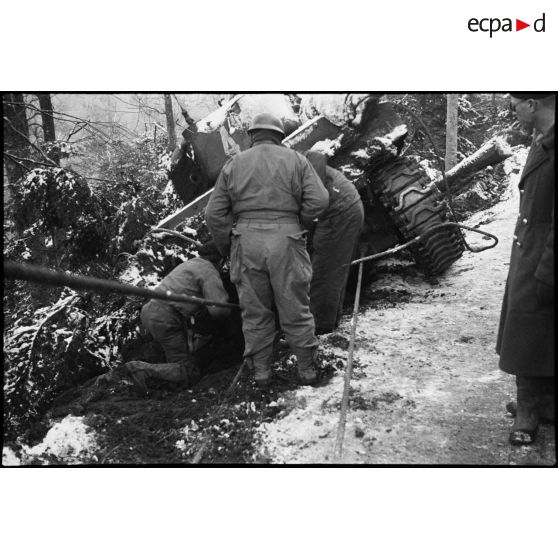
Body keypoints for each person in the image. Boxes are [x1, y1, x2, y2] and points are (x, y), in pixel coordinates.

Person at [205, 113, 329, 387]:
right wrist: (298, 223)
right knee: (295, 308)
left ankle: (261, 374)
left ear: (252, 135)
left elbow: (213, 214)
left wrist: (229, 245)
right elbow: (320, 200)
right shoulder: (297, 160)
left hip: (246, 242)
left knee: (255, 312)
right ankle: (307, 371)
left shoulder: (234, 164)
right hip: (287, 239)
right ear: (279, 135)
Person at [496, 93, 555, 445]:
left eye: (516, 102)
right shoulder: (542, 139)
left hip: (542, 255)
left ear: (534, 104)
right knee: (537, 329)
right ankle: (545, 403)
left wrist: (547, 270)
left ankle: (528, 410)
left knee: (529, 329)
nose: (513, 109)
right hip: (532, 249)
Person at [127, 241, 231, 393]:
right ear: (220, 259)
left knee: (178, 362)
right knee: (188, 372)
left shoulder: (191, 264)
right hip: (165, 317)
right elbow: (219, 310)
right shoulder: (208, 271)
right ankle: (141, 370)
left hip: (153, 311)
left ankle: (156, 380)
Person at [305, 151, 365, 335]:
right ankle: (328, 320)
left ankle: (320, 328)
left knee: (324, 270)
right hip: (340, 206)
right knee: (333, 267)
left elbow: (316, 157)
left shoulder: (284, 167)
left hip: (339, 210)